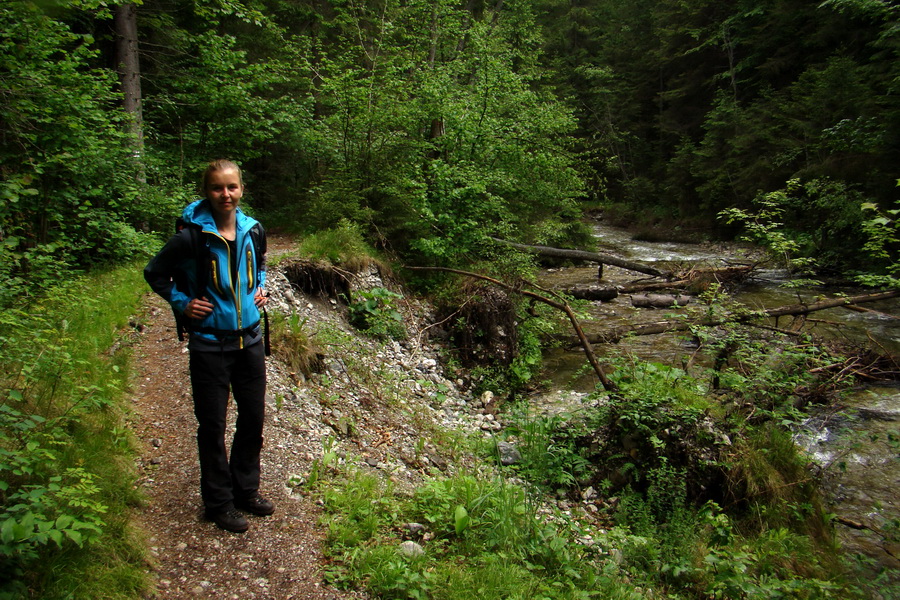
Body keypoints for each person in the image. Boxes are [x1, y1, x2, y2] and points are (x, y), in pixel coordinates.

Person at [144, 159, 274, 533]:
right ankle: (219, 502)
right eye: (218, 188)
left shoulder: (253, 230)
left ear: (241, 189)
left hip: (249, 339)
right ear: (207, 191)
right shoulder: (191, 237)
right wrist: (182, 303)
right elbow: (155, 273)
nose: (225, 194)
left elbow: (259, 262)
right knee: (213, 425)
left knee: (252, 419)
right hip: (209, 345)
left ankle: (245, 490)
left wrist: (260, 286)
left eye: (231, 187)